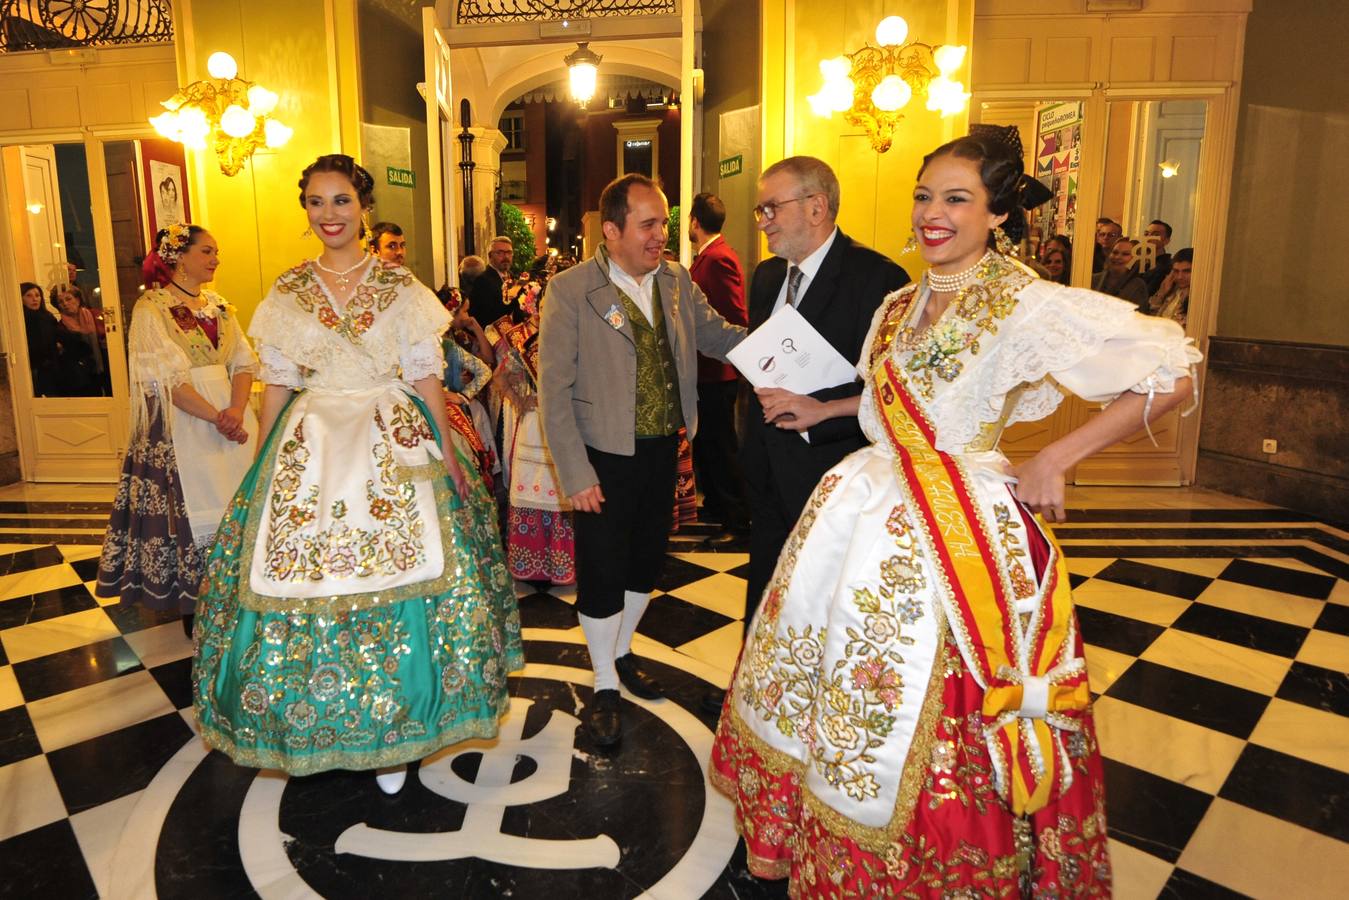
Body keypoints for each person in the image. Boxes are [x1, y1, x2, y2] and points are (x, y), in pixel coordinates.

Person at [711, 126, 1200, 897]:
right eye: (922, 196)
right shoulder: (899, 303)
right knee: (835, 683)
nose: (931, 214)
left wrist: (1053, 458)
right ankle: (830, 841)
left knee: (929, 702)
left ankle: (931, 861)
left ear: (997, 214)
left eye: (956, 199)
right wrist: (818, 405)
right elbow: (877, 403)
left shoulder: (1023, 301)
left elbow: (1170, 368)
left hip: (959, 535)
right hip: (863, 509)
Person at [193, 154, 523, 793]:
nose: (329, 215)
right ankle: (329, 721)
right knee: (305, 583)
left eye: (340, 201)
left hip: (390, 436)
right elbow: (278, 385)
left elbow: (426, 376)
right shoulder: (287, 291)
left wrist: (449, 455)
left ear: (362, 207)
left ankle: (398, 733)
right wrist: (262, 463)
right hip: (311, 444)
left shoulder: (400, 288)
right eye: (316, 202)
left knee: (413, 575)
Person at [538, 173, 745, 748]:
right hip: (602, 454)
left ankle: (624, 652)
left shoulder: (676, 281)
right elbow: (553, 389)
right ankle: (604, 681)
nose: (661, 235)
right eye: (649, 224)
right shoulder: (572, 289)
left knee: (646, 561)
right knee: (603, 567)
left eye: (664, 223)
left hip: (664, 447)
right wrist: (575, 473)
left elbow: (717, 336)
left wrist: (781, 349)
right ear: (612, 231)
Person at [740, 156, 909, 646]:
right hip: (766, 463)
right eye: (761, 210)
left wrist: (819, 410)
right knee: (766, 583)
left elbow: (890, 388)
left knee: (821, 596)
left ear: (817, 208)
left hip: (830, 465)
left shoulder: (877, 278)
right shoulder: (768, 276)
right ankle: (750, 691)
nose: (764, 220)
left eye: (772, 207)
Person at [96, 224, 257, 636]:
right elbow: (165, 382)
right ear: (179, 257)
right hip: (183, 424)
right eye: (207, 251)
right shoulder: (152, 308)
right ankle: (195, 603)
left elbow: (243, 362)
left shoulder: (221, 306)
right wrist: (217, 416)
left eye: (216, 251)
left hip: (230, 418)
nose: (215, 259)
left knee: (239, 500)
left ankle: (241, 593)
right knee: (190, 508)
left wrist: (236, 409)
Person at [687, 191, 752, 545]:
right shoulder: (708, 257)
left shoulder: (717, 258)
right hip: (706, 370)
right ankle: (715, 503)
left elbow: (735, 318)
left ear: (694, 222)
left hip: (718, 370)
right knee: (709, 444)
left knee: (722, 445)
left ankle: (737, 518)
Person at [49, 282, 108, 394]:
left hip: (105, 369)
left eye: (68, 299)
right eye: (60, 302)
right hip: (81, 378)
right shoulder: (60, 328)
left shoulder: (96, 315)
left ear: (78, 300)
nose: (65, 304)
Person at [20, 281, 62, 396]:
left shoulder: (47, 317)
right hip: (34, 368)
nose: (35, 299)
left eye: (37, 295)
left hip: (52, 366)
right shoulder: (22, 319)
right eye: (29, 295)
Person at [469, 236, 518, 328]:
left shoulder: (513, 277)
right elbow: (485, 317)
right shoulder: (482, 280)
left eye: (509, 252)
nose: (506, 257)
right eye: (500, 253)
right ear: (490, 256)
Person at [1092, 236, 1151, 310]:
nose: (1117, 257)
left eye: (1125, 254)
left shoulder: (1138, 285)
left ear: (1136, 259)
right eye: (1115, 252)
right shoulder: (1093, 279)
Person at [1150, 246, 1193, 325]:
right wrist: (1161, 294)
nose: (1180, 277)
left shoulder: (1197, 297)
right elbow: (1150, 319)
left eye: (1186, 271)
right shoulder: (1171, 290)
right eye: (1176, 271)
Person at [1141, 218, 1173, 295]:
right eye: (1146, 234)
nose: (1149, 237)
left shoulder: (1167, 267)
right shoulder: (1138, 262)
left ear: (1166, 240)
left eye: (1155, 235)